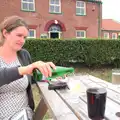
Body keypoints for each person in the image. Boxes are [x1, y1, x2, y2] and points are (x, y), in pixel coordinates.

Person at [0, 15, 56, 120]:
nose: (22, 40)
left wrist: (49, 75)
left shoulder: (23, 55)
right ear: (5, 33)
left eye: (24, 37)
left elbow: (31, 78)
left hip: (23, 113)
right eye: (19, 35)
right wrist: (24, 69)